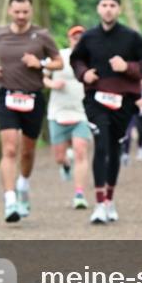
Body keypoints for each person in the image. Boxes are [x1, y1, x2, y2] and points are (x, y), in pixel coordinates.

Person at [70, 0, 142, 224]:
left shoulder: (132, 38)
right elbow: (76, 60)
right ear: (98, 9)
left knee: (114, 149)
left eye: (112, 5)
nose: (108, 9)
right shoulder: (88, 38)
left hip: (124, 101)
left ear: (118, 9)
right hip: (96, 100)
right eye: (104, 5)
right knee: (101, 146)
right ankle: (99, 204)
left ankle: (109, 200)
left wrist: (127, 67)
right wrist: (84, 74)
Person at [0, 0, 62, 222]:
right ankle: (9, 201)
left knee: (27, 151)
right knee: (9, 149)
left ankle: (23, 185)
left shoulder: (42, 36)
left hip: (33, 97)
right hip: (6, 96)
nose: (21, 16)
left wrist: (41, 63)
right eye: (16, 12)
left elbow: (59, 62)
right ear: (9, 11)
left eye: (25, 11)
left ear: (31, 11)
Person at [43, 24, 91, 210]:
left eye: (81, 36)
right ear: (69, 38)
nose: (77, 40)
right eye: (74, 37)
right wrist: (52, 84)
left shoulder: (91, 57)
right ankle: (65, 165)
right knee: (59, 156)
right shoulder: (59, 57)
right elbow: (43, 77)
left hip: (82, 112)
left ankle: (79, 194)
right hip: (58, 112)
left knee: (81, 150)